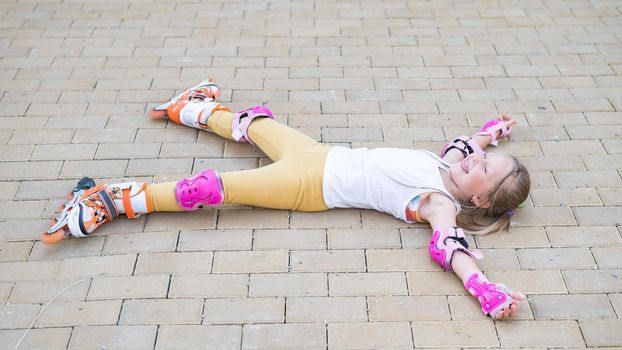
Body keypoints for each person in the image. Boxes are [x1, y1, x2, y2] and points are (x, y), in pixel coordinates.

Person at [43, 79, 530, 320]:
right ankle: (192, 107)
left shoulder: (439, 204)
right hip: (317, 152)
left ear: (481, 201)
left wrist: (486, 291)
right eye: (483, 162)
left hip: (308, 187)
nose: (476, 164)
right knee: (253, 126)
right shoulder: (450, 165)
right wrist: (491, 134)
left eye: (485, 174)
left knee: (213, 190)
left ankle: (113, 202)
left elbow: (450, 248)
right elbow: (468, 144)